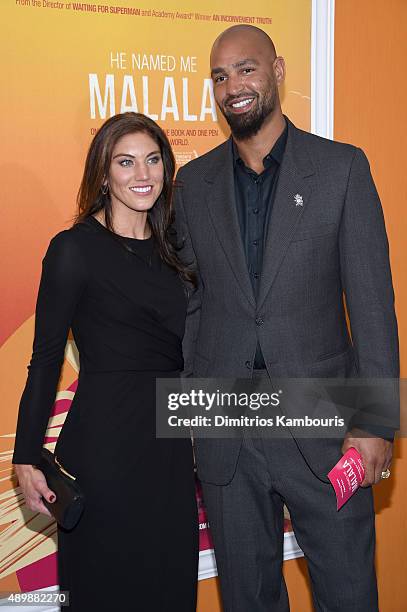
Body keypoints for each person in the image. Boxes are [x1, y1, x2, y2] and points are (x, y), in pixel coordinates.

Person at [174, 25, 399, 611]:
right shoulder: (192, 186)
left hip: (324, 429)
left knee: (348, 595)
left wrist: (374, 424)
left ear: (277, 70)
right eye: (220, 77)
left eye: (245, 69)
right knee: (247, 599)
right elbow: (192, 311)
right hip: (227, 432)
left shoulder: (341, 170)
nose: (233, 87)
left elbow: (372, 305)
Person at [12, 112, 198, 611]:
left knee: (169, 586)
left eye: (153, 160)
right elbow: (46, 358)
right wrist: (26, 455)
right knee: (104, 588)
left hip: (172, 449)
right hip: (105, 448)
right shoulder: (73, 250)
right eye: (126, 161)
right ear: (104, 173)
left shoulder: (176, 249)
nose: (143, 174)